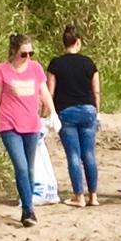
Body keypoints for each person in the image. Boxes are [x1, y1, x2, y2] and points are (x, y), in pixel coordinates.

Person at [0, 33, 58, 227]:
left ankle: (27, 204)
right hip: (9, 125)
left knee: (31, 168)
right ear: (14, 52)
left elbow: (44, 92)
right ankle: (28, 209)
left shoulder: (35, 68)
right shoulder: (2, 70)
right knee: (21, 167)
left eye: (30, 53)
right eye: (23, 53)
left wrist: (53, 113)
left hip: (32, 125)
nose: (28, 57)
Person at [47, 24, 101, 207]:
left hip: (66, 112)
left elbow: (50, 92)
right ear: (78, 42)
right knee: (89, 153)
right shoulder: (89, 63)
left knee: (73, 155)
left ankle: (79, 196)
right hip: (88, 110)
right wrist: (97, 112)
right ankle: (94, 196)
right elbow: (96, 91)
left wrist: (45, 114)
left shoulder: (56, 64)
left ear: (64, 43)